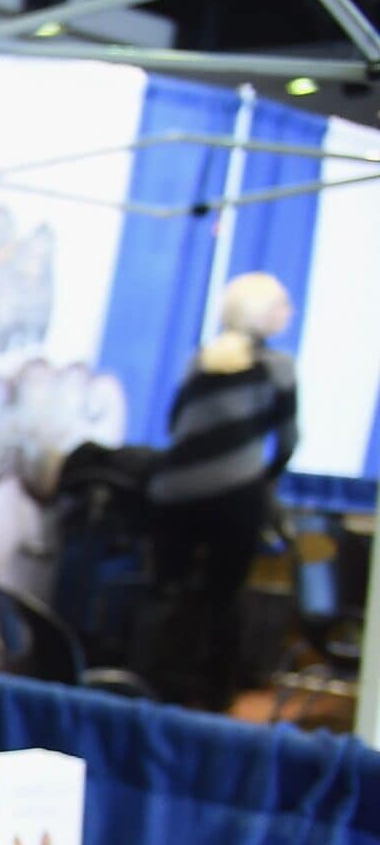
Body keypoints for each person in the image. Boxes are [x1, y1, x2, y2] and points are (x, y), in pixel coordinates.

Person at [143, 272, 298, 710]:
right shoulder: (277, 368)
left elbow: (176, 426)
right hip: (236, 496)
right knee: (224, 596)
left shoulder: (201, 361)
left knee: (167, 592)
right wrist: (260, 480)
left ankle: (155, 685)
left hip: (171, 493)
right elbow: (287, 441)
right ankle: (212, 699)